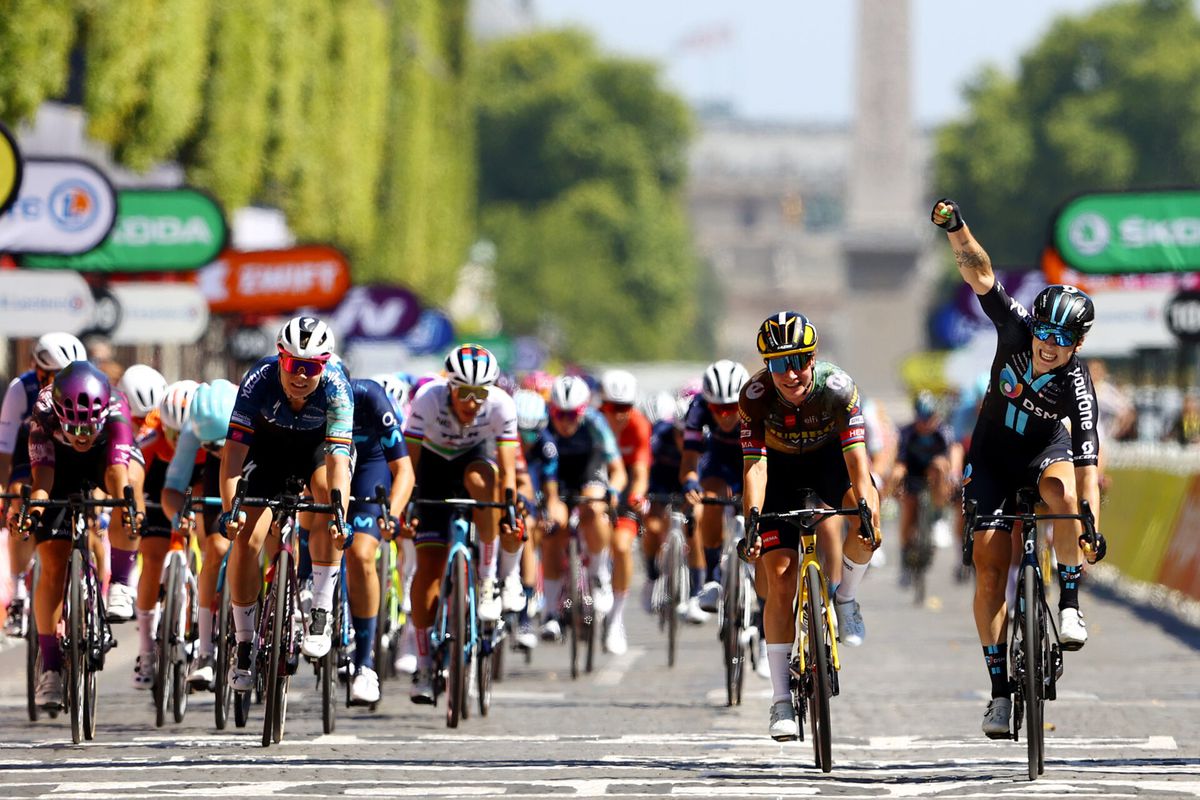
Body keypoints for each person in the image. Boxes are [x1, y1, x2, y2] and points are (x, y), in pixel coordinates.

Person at [932, 198, 1106, 739]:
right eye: (1045, 336)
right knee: (989, 566)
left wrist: (1090, 526)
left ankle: (1070, 602)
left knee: (1061, 491)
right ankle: (1001, 692)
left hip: (1043, 458)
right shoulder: (1014, 328)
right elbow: (979, 270)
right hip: (991, 460)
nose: (1049, 348)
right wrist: (956, 228)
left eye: (1063, 342)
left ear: (1078, 344)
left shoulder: (1076, 384)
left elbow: (1088, 463)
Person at [738, 311, 881, 741]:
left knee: (869, 523)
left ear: (813, 357)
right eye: (780, 364)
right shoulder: (755, 397)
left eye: (799, 360)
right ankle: (781, 700)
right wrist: (751, 522)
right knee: (779, 579)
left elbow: (858, 462)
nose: (791, 373)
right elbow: (755, 469)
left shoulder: (838, 389)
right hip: (777, 473)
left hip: (829, 464)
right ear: (768, 365)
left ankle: (847, 599)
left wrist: (866, 512)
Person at [219, 316, 353, 692]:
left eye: (311, 368)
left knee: (328, 498)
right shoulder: (258, 380)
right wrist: (231, 512)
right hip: (267, 451)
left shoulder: (338, 390)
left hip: (315, 453)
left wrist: (339, 516)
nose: (301, 376)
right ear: (280, 359)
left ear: (324, 366)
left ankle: (321, 610)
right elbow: (232, 455)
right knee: (246, 537)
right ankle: (244, 643)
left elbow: (339, 461)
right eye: (294, 365)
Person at [7, 361, 138, 710]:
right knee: (53, 562)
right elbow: (43, 482)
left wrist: (126, 509)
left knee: (131, 489)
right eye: (74, 429)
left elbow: (116, 473)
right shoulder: (44, 412)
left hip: (103, 460)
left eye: (88, 429)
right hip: (58, 467)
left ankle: (122, 583)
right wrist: (33, 512)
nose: (82, 437)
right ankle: (50, 666)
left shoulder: (115, 407)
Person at [401, 344, 519, 703]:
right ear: (448, 386)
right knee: (428, 576)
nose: (472, 401)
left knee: (487, 485)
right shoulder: (427, 400)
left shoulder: (500, 405)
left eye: (480, 392)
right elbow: (409, 465)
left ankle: (485, 582)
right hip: (432, 471)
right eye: (464, 392)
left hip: (474, 463)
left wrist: (509, 510)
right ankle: (423, 665)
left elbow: (509, 471)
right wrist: (409, 508)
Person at [1, 333, 88, 637]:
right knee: (19, 500)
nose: (55, 383)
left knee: (94, 510)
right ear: (36, 369)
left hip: (70, 453)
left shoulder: (86, 388)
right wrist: (4, 491)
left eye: (64, 376)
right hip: (31, 453)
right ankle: (18, 587)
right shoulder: (21, 389)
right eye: (50, 376)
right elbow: (5, 448)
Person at [160, 379, 236, 690]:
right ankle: (205, 650)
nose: (217, 451)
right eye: (209, 447)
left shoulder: (252, 414)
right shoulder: (195, 427)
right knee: (216, 549)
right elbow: (172, 488)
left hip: (255, 462)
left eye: (221, 444)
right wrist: (181, 516)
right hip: (220, 480)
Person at [539, 376, 626, 641]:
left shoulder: (595, 423)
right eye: (559, 414)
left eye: (572, 415)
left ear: (583, 410)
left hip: (588, 474)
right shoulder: (542, 424)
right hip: (555, 478)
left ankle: (599, 574)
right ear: (551, 409)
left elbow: (617, 470)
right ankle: (551, 610)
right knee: (555, 530)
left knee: (594, 508)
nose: (565, 422)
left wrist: (613, 493)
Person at [684, 360, 751, 616]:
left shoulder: (758, 404)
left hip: (752, 457)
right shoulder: (697, 407)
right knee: (709, 499)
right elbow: (689, 457)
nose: (725, 416)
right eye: (717, 408)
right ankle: (712, 576)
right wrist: (690, 481)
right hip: (719, 458)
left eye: (731, 408)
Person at [597, 369, 651, 655]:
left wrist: (638, 494)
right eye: (612, 408)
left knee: (621, 546)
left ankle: (616, 619)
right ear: (601, 405)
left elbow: (641, 470)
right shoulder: (591, 423)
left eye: (625, 408)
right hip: (595, 478)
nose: (619, 415)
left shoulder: (639, 425)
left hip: (626, 481)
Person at [885, 392, 961, 585]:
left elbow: (953, 453)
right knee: (908, 508)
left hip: (934, 475)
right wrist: (895, 486)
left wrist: (953, 476)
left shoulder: (944, 432)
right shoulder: (907, 433)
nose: (925, 424)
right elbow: (898, 462)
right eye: (922, 419)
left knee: (939, 464)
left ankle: (937, 517)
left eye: (930, 419)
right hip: (912, 473)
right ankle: (904, 559)